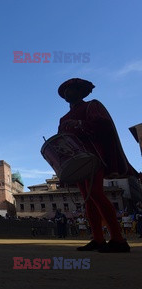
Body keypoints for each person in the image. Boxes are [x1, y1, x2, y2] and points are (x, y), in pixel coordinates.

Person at [57, 78, 138, 252]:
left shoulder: (91, 106)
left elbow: (104, 125)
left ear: (80, 91)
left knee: (95, 193)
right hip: (76, 160)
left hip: (93, 156)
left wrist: (79, 125)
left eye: (70, 89)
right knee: (88, 198)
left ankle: (118, 239)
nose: (66, 92)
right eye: (65, 91)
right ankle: (98, 239)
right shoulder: (63, 118)